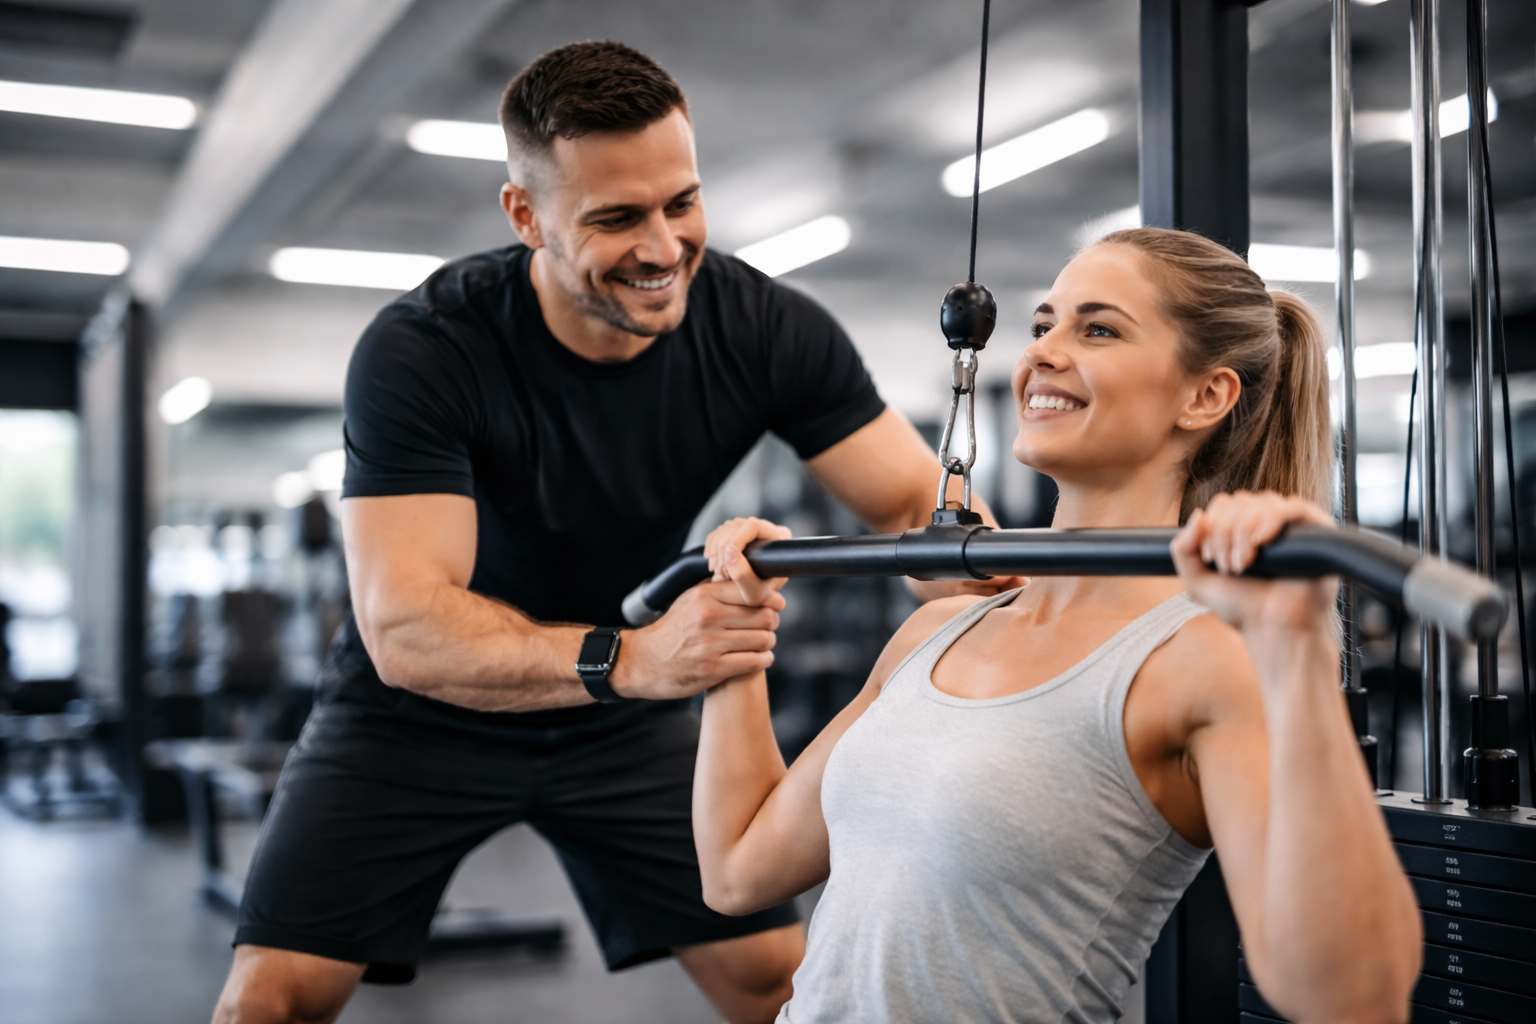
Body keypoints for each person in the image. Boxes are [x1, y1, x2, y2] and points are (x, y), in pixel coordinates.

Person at [211, 41, 1012, 1024]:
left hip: (622, 710)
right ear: (525, 214)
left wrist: (982, 566)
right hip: (424, 711)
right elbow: (407, 625)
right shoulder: (427, 350)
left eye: (681, 202)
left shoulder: (766, 329)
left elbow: (906, 508)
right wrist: (631, 659)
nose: (665, 246)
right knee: (272, 999)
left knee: (780, 977)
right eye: (617, 217)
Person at [693, 228, 1424, 1024]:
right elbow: (738, 870)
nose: (1043, 351)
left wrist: (1293, 658)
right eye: (1044, 325)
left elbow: (1355, 999)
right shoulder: (937, 631)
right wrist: (736, 633)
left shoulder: (1204, 661)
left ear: (1204, 396)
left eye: (1098, 328)